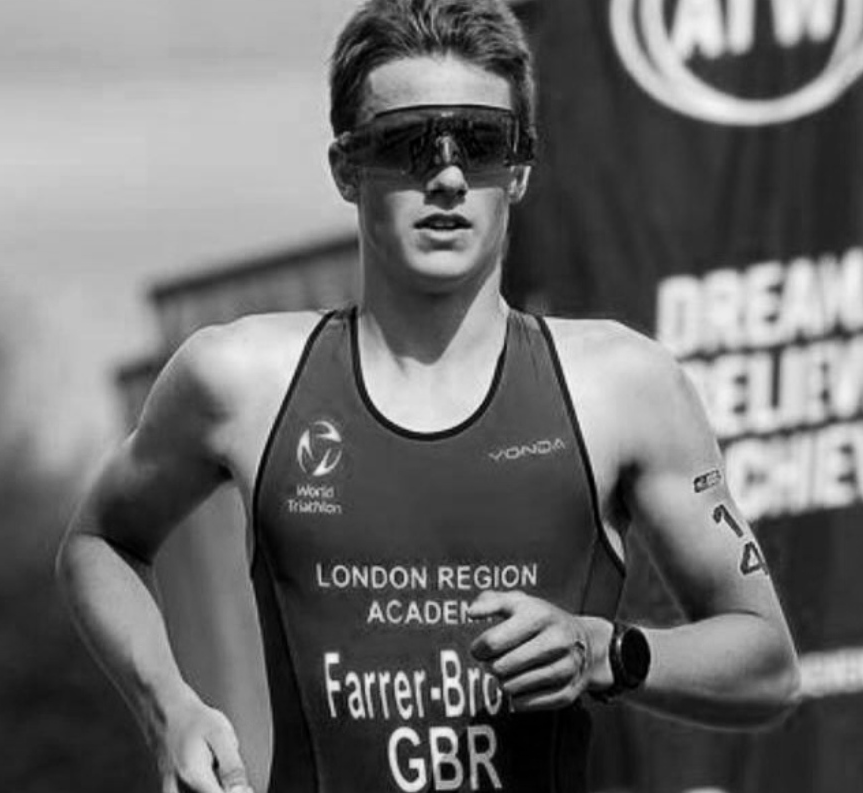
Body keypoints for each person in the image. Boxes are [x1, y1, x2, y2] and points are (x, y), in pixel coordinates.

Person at [56, 1, 800, 791]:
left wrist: (601, 650)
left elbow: (766, 664)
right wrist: (168, 705)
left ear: (518, 167)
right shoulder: (240, 378)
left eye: (478, 142)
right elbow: (97, 544)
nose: (445, 174)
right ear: (346, 167)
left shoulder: (622, 384)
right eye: (409, 144)